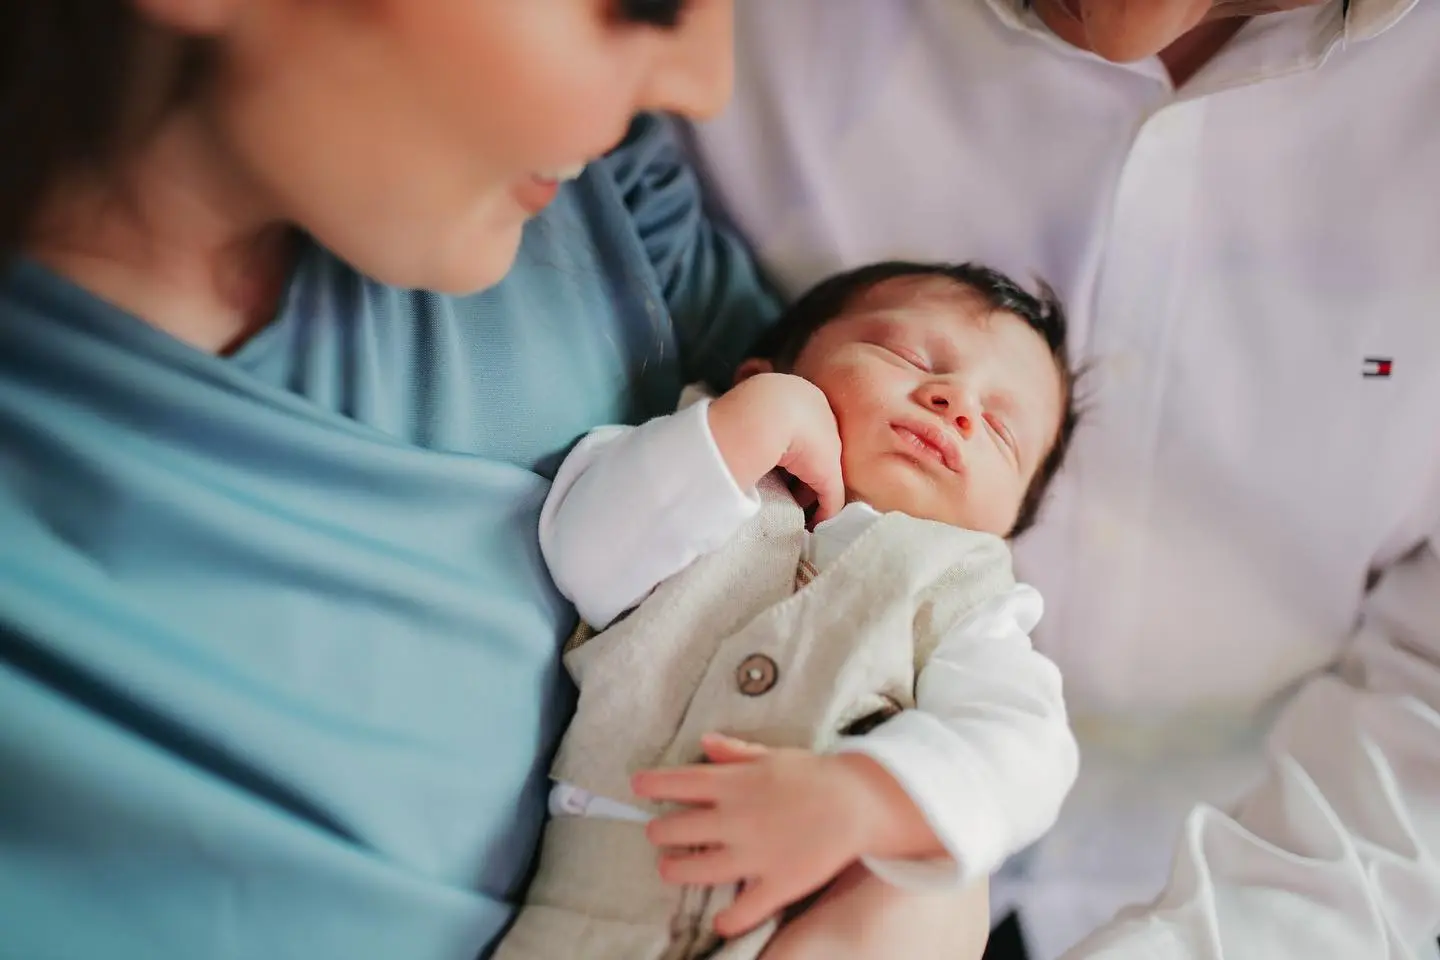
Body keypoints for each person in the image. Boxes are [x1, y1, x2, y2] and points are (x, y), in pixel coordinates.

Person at [0, 2, 994, 958]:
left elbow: (901, 553)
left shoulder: (606, 203)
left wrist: (924, 849)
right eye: (642, 2)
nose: (707, 86)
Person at [686, 0, 1440, 957]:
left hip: (1223, 895)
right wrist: (707, 450)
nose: (1136, 22)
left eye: (998, 425)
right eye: (908, 361)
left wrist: (895, 815)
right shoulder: (738, 41)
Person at [497, 262, 1081, 959]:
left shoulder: (965, 595)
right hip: (580, 922)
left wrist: (865, 799)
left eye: (1001, 431)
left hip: (789, 926)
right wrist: (750, 423)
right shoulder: (703, 462)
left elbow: (1025, 744)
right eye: (909, 357)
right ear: (765, 373)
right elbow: (584, 556)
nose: (956, 403)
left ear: (1006, 526)